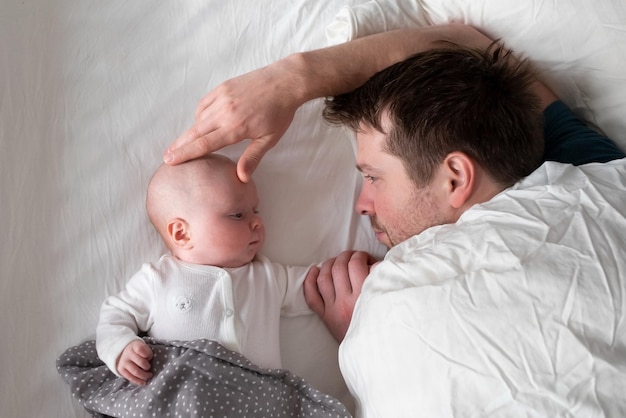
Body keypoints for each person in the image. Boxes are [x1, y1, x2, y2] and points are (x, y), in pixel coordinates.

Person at [164, 23, 626, 416]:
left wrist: (364, 333)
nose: (361, 203)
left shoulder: (389, 304)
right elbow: (476, 49)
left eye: (373, 176)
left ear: (454, 178)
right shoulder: (599, 174)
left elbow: (475, 45)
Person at [96, 153, 320, 386]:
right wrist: (121, 348)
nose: (257, 222)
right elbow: (115, 314)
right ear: (182, 233)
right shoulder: (159, 279)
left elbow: (315, 284)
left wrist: (350, 271)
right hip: (184, 399)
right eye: (238, 215)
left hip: (258, 400)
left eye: (256, 211)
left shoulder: (267, 276)